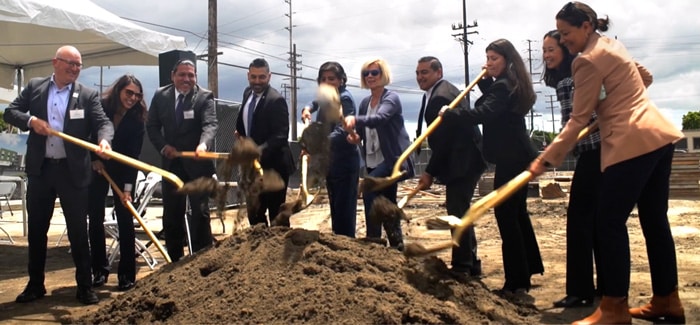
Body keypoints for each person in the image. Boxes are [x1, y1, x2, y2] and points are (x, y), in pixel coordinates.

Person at [529, 3, 685, 324]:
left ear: (586, 26)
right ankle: (667, 301)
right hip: (658, 134)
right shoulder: (613, 45)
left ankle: (614, 309)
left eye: (567, 33)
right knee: (654, 221)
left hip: (630, 141)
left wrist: (547, 158)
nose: (564, 39)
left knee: (608, 222)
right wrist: (616, 97)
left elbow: (578, 119)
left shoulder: (586, 60)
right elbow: (646, 76)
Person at [5, 45, 113, 305]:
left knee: (78, 231)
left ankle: (85, 286)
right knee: (37, 230)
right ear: (55, 62)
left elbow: (103, 123)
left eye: (78, 65)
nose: (75, 69)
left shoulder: (87, 95)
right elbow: (11, 112)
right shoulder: (35, 87)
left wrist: (104, 141)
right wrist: (31, 122)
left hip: (72, 171)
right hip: (41, 170)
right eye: (70, 64)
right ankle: (35, 284)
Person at [443, 39, 544, 293]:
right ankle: (527, 270)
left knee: (507, 215)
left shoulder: (503, 87)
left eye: (494, 59)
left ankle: (516, 282)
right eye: (487, 58)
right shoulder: (509, 84)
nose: (488, 63)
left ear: (507, 60)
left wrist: (451, 114)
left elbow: (484, 113)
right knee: (517, 214)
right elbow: (495, 104)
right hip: (518, 156)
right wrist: (487, 81)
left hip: (513, 158)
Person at [542, 30, 603, 308]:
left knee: (579, 222)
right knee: (600, 222)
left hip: (592, 152)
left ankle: (580, 292)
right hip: (603, 151)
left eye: (552, 49)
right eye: (544, 51)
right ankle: (606, 286)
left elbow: (572, 122)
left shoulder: (568, 80)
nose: (547, 55)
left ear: (566, 51)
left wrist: (549, 155)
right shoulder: (579, 74)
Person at [414, 56, 486, 276]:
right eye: (418, 73)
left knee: (457, 212)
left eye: (425, 72)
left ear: (439, 72)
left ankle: (463, 265)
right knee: (460, 209)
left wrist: (429, 172)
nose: (420, 77)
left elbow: (443, 142)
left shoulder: (440, 97)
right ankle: (471, 263)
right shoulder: (441, 91)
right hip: (464, 159)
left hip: (462, 161)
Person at [146, 60, 218, 262]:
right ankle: (174, 259)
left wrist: (203, 145)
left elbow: (210, 125)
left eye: (191, 75)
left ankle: (202, 259)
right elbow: (151, 126)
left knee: (200, 213)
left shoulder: (204, 97)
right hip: (172, 166)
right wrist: (163, 146)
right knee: (172, 214)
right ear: (173, 75)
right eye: (182, 75)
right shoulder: (161, 96)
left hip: (198, 165)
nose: (187, 79)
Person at [343, 58, 414, 250]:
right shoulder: (365, 102)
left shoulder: (391, 98)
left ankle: (373, 241)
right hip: (373, 159)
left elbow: (379, 119)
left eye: (375, 73)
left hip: (392, 160)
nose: (370, 76)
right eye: (367, 73)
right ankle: (398, 246)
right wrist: (357, 139)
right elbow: (366, 131)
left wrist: (354, 119)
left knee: (369, 187)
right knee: (387, 202)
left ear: (384, 75)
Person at [88, 74, 147, 291]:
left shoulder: (138, 119)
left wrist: (128, 190)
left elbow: (133, 158)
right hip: (97, 169)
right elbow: (86, 136)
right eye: (128, 93)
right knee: (95, 218)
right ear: (118, 90)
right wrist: (94, 159)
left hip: (123, 172)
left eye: (137, 95)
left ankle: (126, 275)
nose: (132, 98)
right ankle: (99, 270)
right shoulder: (100, 108)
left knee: (125, 218)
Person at [301, 62, 360, 237]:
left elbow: (343, 132)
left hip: (345, 163)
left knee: (344, 212)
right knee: (336, 209)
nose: (327, 82)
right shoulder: (327, 97)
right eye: (323, 79)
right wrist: (307, 108)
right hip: (331, 163)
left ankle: (347, 247)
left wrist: (318, 144)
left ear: (341, 80)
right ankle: (340, 243)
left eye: (331, 79)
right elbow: (314, 102)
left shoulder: (345, 98)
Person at [235, 58, 295, 227]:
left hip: (274, 167)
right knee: (254, 212)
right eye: (253, 77)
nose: (257, 81)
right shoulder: (247, 94)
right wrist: (240, 133)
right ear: (248, 76)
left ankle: (278, 250)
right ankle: (259, 250)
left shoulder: (276, 100)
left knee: (277, 214)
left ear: (269, 76)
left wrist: (257, 151)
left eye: (262, 77)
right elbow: (244, 123)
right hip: (252, 168)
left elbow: (280, 136)